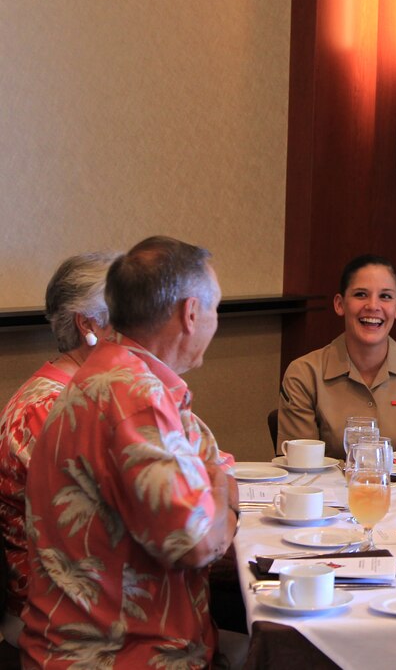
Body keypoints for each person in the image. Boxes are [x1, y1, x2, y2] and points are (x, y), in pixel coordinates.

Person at [20, 236, 238, 668]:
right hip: (118, 655)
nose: (217, 320)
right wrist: (224, 498)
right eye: (216, 309)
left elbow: (209, 469)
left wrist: (214, 488)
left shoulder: (114, 372)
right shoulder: (133, 396)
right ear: (191, 314)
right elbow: (196, 542)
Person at [0, 253, 118, 644]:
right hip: (58, 602)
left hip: (83, 580)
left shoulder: (83, 392)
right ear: (89, 324)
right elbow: (106, 525)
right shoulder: (48, 409)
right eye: (129, 314)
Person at [278, 254, 396, 463]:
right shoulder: (304, 373)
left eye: (385, 296)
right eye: (361, 294)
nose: (373, 306)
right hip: (329, 495)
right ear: (339, 304)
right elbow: (303, 469)